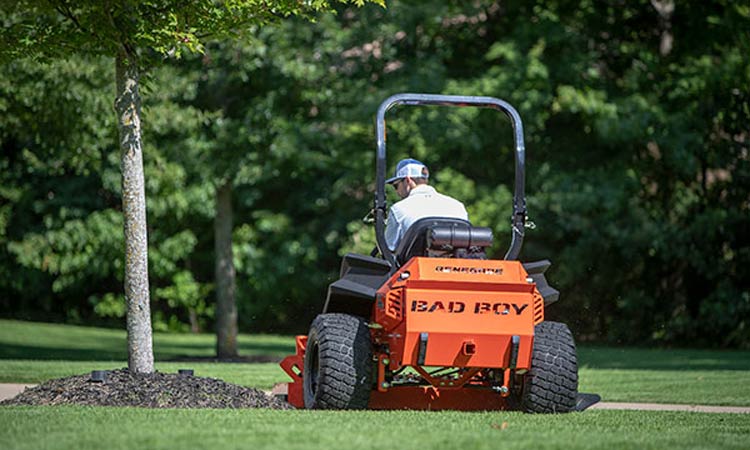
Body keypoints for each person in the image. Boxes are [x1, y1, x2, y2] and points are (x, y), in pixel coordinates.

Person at [385, 158, 469, 251]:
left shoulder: (398, 209)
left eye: (396, 186)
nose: (396, 191)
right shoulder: (458, 206)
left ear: (408, 181)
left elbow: (388, 250)